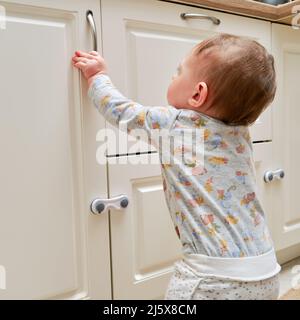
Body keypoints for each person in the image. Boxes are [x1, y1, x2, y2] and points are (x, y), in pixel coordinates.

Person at [72, 33, 281, 300]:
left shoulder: (174, 123)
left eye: (179, 71)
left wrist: (97, 75)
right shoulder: (241, 134)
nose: (173, 77)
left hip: (214, 279)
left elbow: (118, 110)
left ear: (197, 94)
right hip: (266, 270)